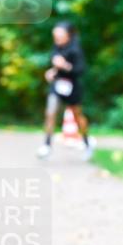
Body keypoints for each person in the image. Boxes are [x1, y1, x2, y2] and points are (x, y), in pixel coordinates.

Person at [36, 22, 93, 160]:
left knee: (77, 116)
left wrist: (65, 66)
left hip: (73, 88)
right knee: (50, 112)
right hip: (57, 86)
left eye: (60, 35)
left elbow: (80, 70)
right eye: (55, 35)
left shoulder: (76, 50)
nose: (57, 38)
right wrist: (51, 72)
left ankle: (86, 142)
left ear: (69, 35)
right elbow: (56, 67)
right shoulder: (56, 47)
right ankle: (47, 144)